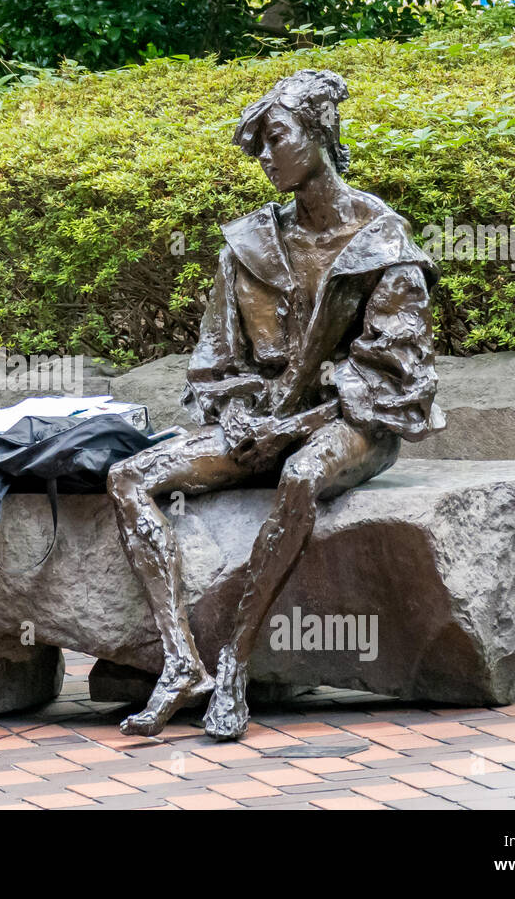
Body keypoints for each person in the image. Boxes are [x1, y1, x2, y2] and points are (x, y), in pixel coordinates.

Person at [106, 69, 444, 741]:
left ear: (320, 132)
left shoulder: (381, 239)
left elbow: (398, 379)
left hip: (350, 425)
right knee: (128, 477)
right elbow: (213, 362)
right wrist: (232, 413)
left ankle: (234, 659)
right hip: (259, 421)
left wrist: (291, 425)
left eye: (277, 136)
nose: (264, 154)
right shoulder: (247, 245)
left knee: (297, 477)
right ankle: (182, 663)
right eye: (257, 141)